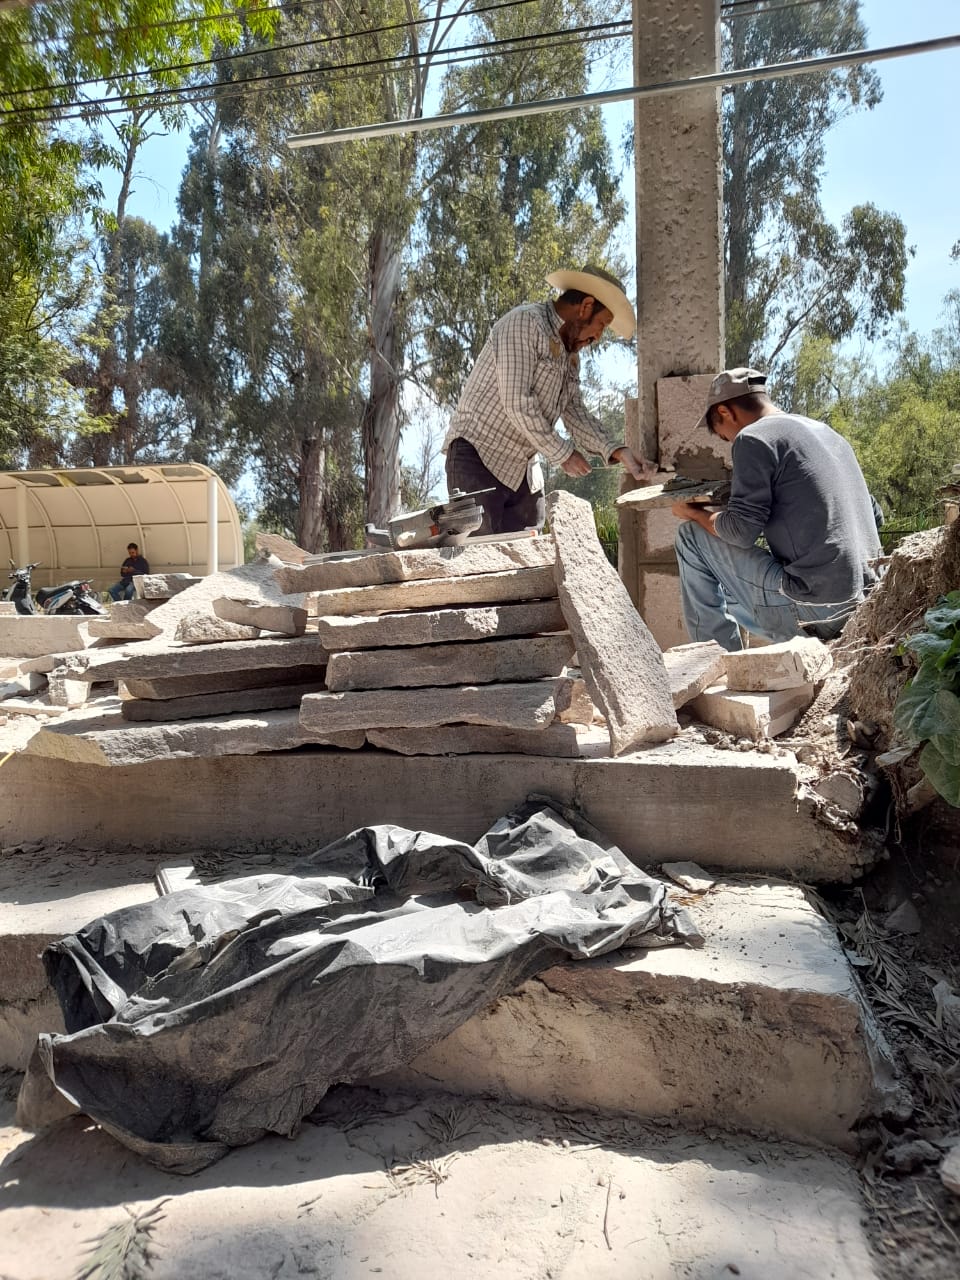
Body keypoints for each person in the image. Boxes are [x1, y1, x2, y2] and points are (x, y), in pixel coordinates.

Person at [670, 367, 881, 652]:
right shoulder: (829, 435)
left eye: (724, 437)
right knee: (727, 580)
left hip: (818, 611)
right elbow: (874, 514)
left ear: (724, 412)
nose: (730, 442)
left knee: (691, 536)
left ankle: (710, 664)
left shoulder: (752, 438)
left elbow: (741, 532)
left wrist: (695, 513)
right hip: (866, 605)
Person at [443, 264, 657, 535]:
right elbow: (517, 401)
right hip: (478, 458)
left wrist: (618, 451)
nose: (598, 337)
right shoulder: (524, 323)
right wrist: (563, 453)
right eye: (601, 324)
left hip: (524, 471)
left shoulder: (571, 358)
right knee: (481, 562)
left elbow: (575, 413)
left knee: (531, 563)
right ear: (586, 306)